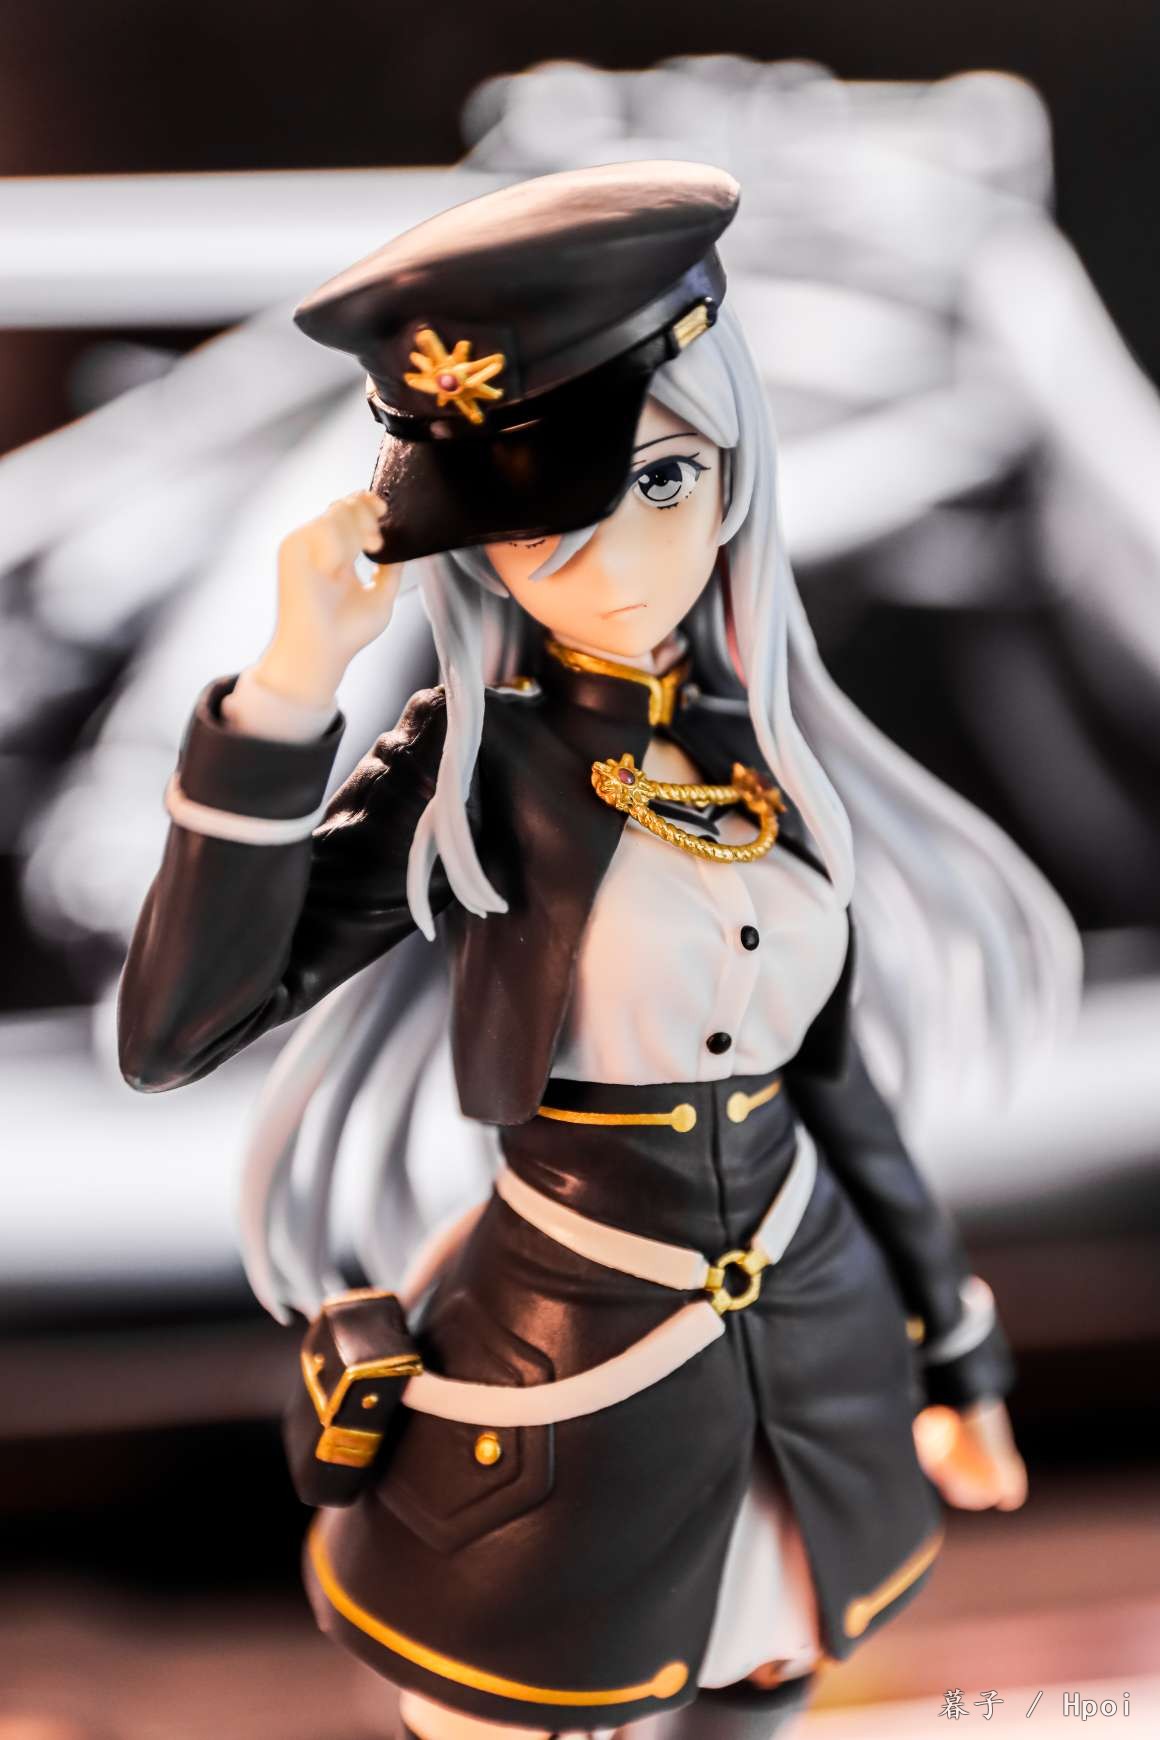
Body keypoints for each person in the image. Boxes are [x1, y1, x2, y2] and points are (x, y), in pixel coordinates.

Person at [117, 162, 1073, 1740]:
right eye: (542, 527)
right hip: (564, 1380)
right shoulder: (473, 771)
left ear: (735, 466)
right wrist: (285, 690)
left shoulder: (769, 756)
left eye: (664, 483)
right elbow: (178, 1031)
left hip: (814, 1351)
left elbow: (839, 1099)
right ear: (473, 543)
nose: (618, 561)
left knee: (769, 1674)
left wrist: (958, 1357)